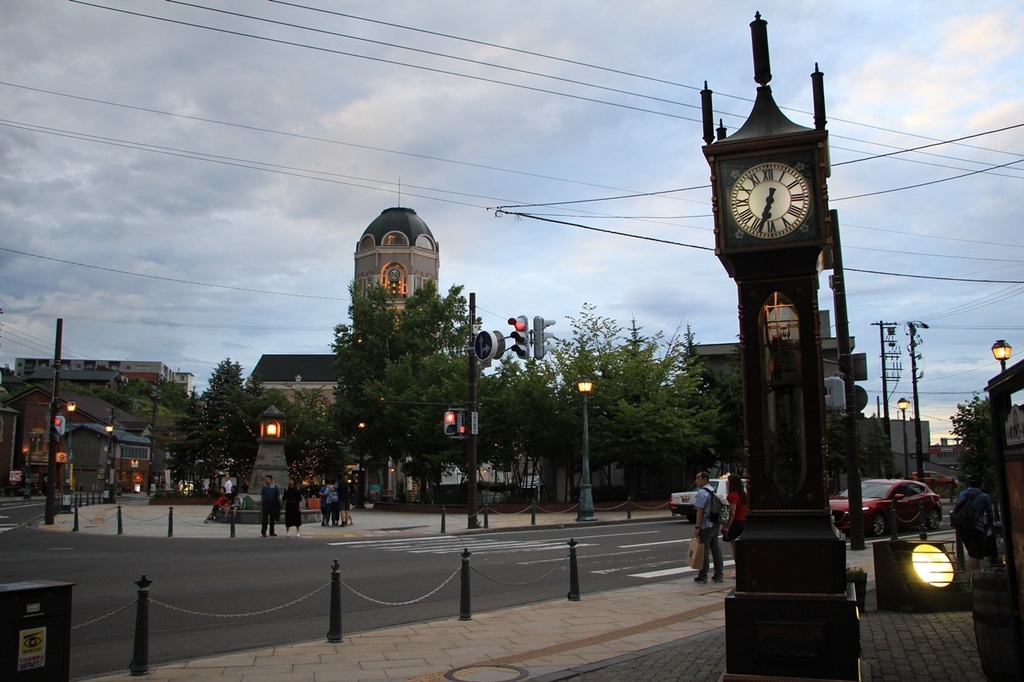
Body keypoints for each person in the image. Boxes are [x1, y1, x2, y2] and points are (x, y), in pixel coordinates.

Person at [956, 473, 994, 577]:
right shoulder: (984, 497)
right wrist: (991, 527)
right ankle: (971, 578)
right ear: (981, 484)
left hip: (963, 527)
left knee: (973, 554)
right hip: (976, 528)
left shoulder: (962, 494)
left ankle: (976, 578)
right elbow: (990, 515)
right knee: (974, 555)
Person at [693, 471, 724, 584]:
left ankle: (703, 575)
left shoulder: (702, 492)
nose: (696, 481)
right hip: (715, 524)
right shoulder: (712, 490)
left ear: (705, 479)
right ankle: (718, 574)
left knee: (704, 551)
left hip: (706, 525)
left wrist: (697, 527)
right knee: (716, 549)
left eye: (698, 478)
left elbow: (700, 511)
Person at [721, 474, 748, 579]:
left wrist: (727, 526)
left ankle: (739, 570)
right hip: (744, 522)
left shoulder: (732, 495)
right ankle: (743, 569)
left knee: (735, 549)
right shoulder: (744, 494)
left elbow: (732, 512)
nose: (727, 483)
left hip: (736, 523)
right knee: (742, 548)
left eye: (728, 481)